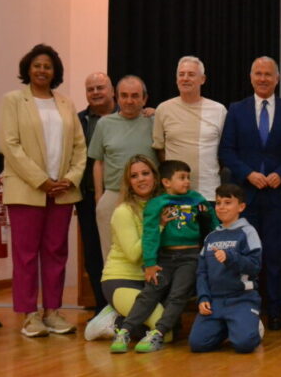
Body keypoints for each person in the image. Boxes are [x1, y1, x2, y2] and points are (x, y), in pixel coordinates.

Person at [0, 44, 86, 337]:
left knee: (56, 252)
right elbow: (11, 145)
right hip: (27, 189)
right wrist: (41, 180)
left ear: (55, 71)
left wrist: (70, 179)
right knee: (25, 255)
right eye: (37, 65)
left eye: (47, 66)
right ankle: (29, 315)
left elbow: (79, 147)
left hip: (62, 191)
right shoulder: (13, 100)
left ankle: (52, 312)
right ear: (28, 68)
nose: (42, 70)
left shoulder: (65, 103)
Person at [219, 56, 281, 332]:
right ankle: (247, 310)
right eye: (258, 73)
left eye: (268, 74)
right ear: (251, 77)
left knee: (275, 256)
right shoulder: (237, 109)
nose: (263, 78)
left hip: (276, 196)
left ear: (277, 78)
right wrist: (248, 174)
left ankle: (275, 311)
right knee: (245, 256)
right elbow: (226, 150)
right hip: (246, 197)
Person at [110, 159, 217, 353]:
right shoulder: (156, 204)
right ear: (166, 182)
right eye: (182, 178)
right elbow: (150, 235)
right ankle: (124, 330)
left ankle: (158, 334)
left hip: (190, 256)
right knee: (150, 293)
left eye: (188, 178)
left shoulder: (197, 199)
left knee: (178, 294)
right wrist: (150, 263)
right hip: (165, 258)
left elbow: (213, 225)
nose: (187, 182)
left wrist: (207, 217)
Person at [83, 154, 162, 341]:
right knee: (162, 328)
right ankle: (111, 322)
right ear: (129, 183)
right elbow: (134, 254)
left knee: (171, 327)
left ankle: (120, 316)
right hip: (121, 280)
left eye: (145, 173)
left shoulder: (162, 206)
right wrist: (159, 226)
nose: (141, 179)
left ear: (155, 177)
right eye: (134, 176)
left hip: (149, 281)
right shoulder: (123, 211)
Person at [188, 182, 263, 354]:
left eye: (228, 203)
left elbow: (255, 266)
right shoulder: (211, 237)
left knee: (244, 345)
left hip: (241, 299)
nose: (221, 207)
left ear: (241, 207)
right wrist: (203, 297)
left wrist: (231, 258)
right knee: (197, 344)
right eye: (218, 203)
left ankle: (252, 325)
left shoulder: (248, 232)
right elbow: (202, 272)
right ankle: (227, 327)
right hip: (215, 302)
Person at [88, 75, 156, 261]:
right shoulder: (104, 124)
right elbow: (98, 162)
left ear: (144, 99)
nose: (129, 101)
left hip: (148, 198)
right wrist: (99, 197)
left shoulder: (154, 121)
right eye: (124, 95)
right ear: (117, 98)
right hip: (113, 195)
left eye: (135, 96)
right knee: (111, 255)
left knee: (148, 253)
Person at [152, 55, 227, 201]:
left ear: (202, 79)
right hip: (174, 194)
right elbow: (160, 149)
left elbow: (224, 151)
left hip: (208, 191)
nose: (185, 78)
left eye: (191, 74)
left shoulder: (219, 110)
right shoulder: (163, 109)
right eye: (181, 74)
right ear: (176, 79)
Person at [76, 72, 115, 313]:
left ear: (112, 91)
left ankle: (127, 308)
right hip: (89, 197)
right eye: (90, 89)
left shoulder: (131, 115)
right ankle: (102, 309)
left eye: (100, 87)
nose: (96, 92)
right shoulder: (78, 121)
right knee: (93, 254)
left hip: (124, 197)